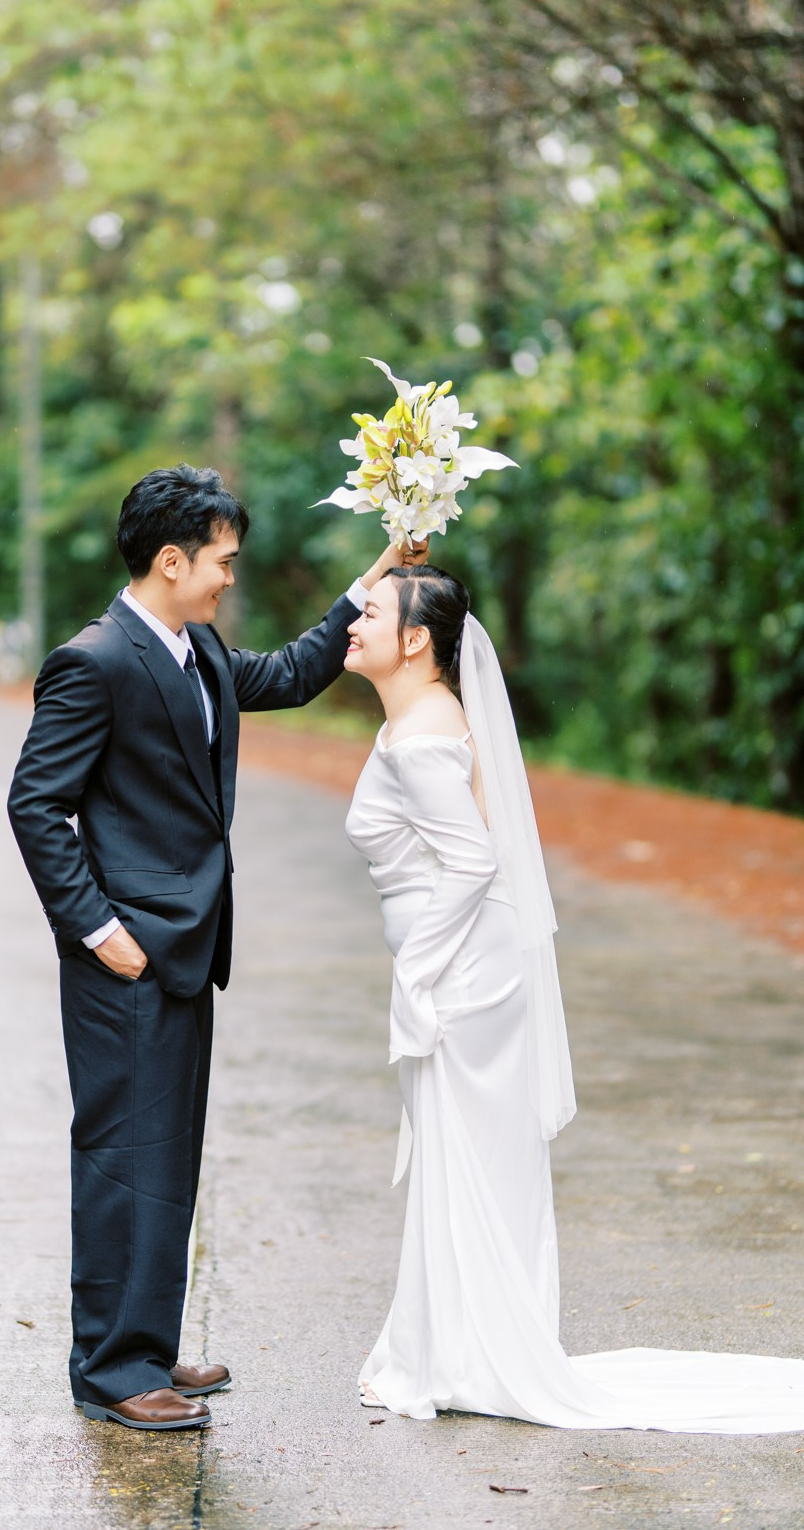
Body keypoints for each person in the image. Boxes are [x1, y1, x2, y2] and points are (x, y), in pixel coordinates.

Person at [344, 562, 804, 1431]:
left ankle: (460, 1356)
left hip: (464, 976)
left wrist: (418, 973)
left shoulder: (422, 735)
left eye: (368, 612)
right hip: (468, 965)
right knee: (465, 1158)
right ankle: (444, 1348)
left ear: (415, 641)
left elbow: (474, 860)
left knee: (467, 1158)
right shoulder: (418, 714)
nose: (349, 624)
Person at [7, 463, 414, 1432]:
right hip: (128, 960)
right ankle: (111, 1371)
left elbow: (299, 670)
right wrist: (103, 933)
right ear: (172, 558)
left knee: (168, 1157)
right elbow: (35, 804)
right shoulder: (95, 660)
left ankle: (143, 1345)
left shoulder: (199, 653)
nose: (231, 576)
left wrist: (380, 570)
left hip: (186, 950)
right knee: (120, 1156)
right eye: (222, 560)